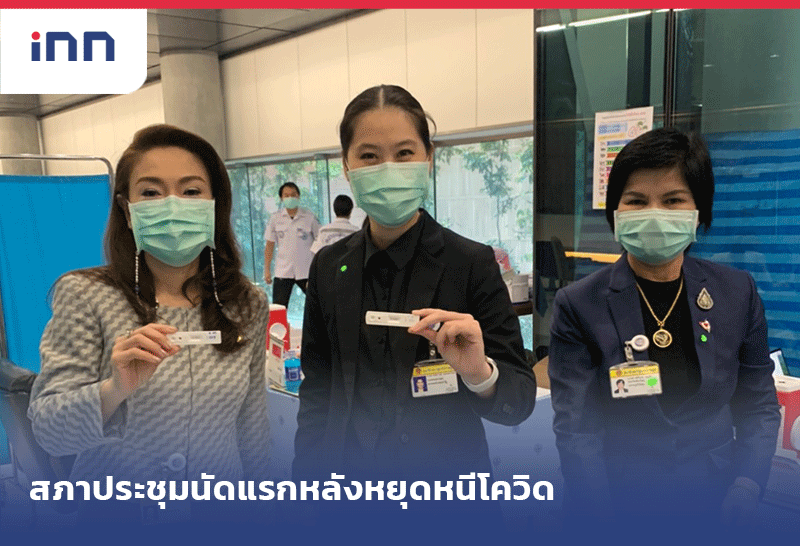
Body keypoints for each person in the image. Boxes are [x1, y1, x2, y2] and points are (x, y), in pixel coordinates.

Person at [293, 85, 536, 482]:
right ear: (346, 167)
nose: (388, 168)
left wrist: (479, 373)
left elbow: (519, 401)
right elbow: (318, 389)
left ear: (428, 158)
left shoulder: (470, 263)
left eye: (404, 153)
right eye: (369, 156)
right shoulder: (328, 266)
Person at [28, 125, 270, 513]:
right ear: (127, 210)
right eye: (151, 192)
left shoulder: (245, 304)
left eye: (191, 191)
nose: (172, 205)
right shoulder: (86, 294)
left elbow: (253, 426)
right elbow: (49, 432)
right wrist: (114, 389)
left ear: (214, 205)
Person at [548, 127, 780, 527]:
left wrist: (747, 484)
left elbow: (758, 404)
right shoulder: (579, 304)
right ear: (616, 212)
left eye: (673, 200)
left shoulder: (736, 292)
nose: (654, 213)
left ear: (698, 210)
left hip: (716, 500)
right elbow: (577, 429)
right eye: (636, 201)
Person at [263, 182, 320, 307]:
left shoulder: (309, 217)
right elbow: (269, 245)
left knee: (317, 305)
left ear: (298, 196)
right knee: (279, 308)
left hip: (306, 270)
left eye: (293, 195)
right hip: (283, 271)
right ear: (281, 198)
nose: (290, 198)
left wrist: (318, 268)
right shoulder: (275, 218)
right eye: (286, 195)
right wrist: (267, 270)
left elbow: (320, 241)